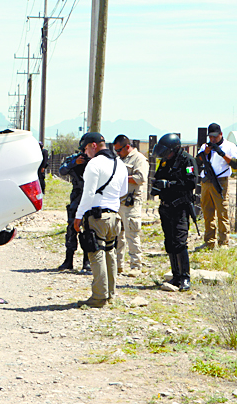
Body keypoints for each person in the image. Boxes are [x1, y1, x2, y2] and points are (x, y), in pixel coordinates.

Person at [73, 132, 128, 308]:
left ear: (93, 146)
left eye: (85, 148)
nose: (84, 152)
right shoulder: (120, 163)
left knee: (96, 254)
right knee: (110, 253)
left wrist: (78, 216)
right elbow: (123, 191)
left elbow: (88, 193)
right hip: (114, 216)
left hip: (97, 216)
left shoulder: (94, 164)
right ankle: (111, 294)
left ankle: (98, 297)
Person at [151, 133, 199, 291]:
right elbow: (158, 177)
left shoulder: (186, 161)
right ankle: (176, 275)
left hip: (180, 207)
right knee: (169, 242)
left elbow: (191, 182)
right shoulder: (165, 161)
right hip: (165, 207)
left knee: (179, 242)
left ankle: (185, 277)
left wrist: (170, 184)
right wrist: (158, 186)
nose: (164, 156)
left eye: (167, 152)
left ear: (175, 149)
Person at [196, 123, 237, 249]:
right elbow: (197, 161)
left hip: (220, 181)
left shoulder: (229, 146)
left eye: (215, 137)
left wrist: (222, 154)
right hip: (206, 181)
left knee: (222, 212)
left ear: (221, 134)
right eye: (210, 137)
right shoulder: (205, 146)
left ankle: (223, 242)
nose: (213, 139)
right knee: (207, 212)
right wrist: (205, 152)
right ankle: (209, 242)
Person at [112, 135, 149, 275]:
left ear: (127, 147)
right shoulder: (119, 159)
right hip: (118, 201)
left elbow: (140, 178)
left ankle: (135, 265)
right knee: (117, 235)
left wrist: (121, 178)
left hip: (131, 202)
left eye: (119, 150)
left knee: (131, 234)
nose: (117, 153)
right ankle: (117, 265)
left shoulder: (138, 159)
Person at [57, 148, 91, 272]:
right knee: (71, 228)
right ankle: (68, 260)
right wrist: (75, 163)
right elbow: (62, 170)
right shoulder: (74, 158)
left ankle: (87, 261)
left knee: (88, 229)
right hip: (76, 197)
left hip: (90, 197)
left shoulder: (97, 160)